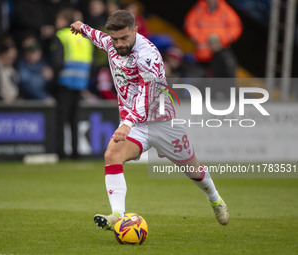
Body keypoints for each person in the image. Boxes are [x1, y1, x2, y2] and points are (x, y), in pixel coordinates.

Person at [70, 10, 229, 230]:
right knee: (112, 155)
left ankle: (215, 199)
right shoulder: (112, 43)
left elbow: (148, 95)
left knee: (194, 171)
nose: (119, 43)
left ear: (135, 31)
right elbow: (99, 37)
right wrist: (82, 28)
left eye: (124, 38)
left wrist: (127, 123)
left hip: (162, 122)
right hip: (136, 126)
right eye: (115, 39)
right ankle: (117, 214)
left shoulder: (148, 54)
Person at [52, 8, 93, 159]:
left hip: (64, 82)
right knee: (74, 120)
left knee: (61, 120)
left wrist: (52, 82)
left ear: (66, 21)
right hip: (80, 83)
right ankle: (76, 152)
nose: (57, 23)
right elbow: (91, 63)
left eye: (59, 19)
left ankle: (61, 153)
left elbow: (57, 61)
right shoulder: (85, 39)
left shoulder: (62, 35)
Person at [184, 0, 242, 64]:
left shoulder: (224, 9)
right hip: (202, 55)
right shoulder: (199, 8)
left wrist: (222, 40)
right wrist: (198, 38)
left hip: (220, 55)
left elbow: (236, 26)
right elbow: (189, 24)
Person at [17, 35, 54, 103]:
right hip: (28, 103)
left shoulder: (44, 65)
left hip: (44, 103)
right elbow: (27, 85)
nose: (34, 54)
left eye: (36, 51)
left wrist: (51, 78)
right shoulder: (22, 65)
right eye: (31, 52)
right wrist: (44, 97)